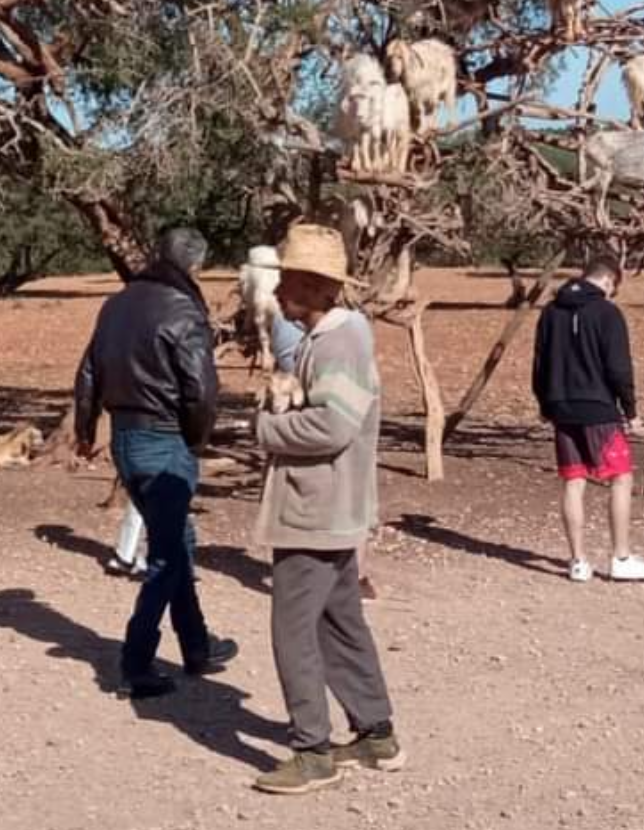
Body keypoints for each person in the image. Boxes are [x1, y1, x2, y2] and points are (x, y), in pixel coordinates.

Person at [254, 223, 404, 797]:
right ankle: (375, 734)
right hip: (332, 507)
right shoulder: (333, 336)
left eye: (289, 279)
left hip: (315, 509)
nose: (278, 290)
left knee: (293, 631)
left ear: (318, 286)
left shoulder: (339, 342)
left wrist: (267, 428)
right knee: (340, 622)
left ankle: (312, 752)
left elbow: (333, 425)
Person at [74, 227, 237, 698]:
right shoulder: (184, 309)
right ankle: (136, 662)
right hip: (164, 440)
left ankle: (197, 646)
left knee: (177, 541)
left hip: (124, 438)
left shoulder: (116, 305)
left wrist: (86, 430)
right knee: (167, 557)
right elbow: (201, 388)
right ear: (196, 266)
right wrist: (197, 441)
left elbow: (88, 372)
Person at [532, 251, 644, 584]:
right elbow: (619, 367)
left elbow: (540, 362)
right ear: (608, 279)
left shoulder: (550, 311)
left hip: (561, 406)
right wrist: (630, 410)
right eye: (613, 287)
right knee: (621, 477)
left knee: (573, 480)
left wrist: (545, 404)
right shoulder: (608, 312)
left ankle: (578, 561)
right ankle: (621, 557)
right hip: (598, 407)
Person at [273, 307, 377, 601]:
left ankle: (346, 574)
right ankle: (352, 574)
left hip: (322, 413)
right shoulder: (351, 323)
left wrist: (267, 426)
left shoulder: (339, 329)